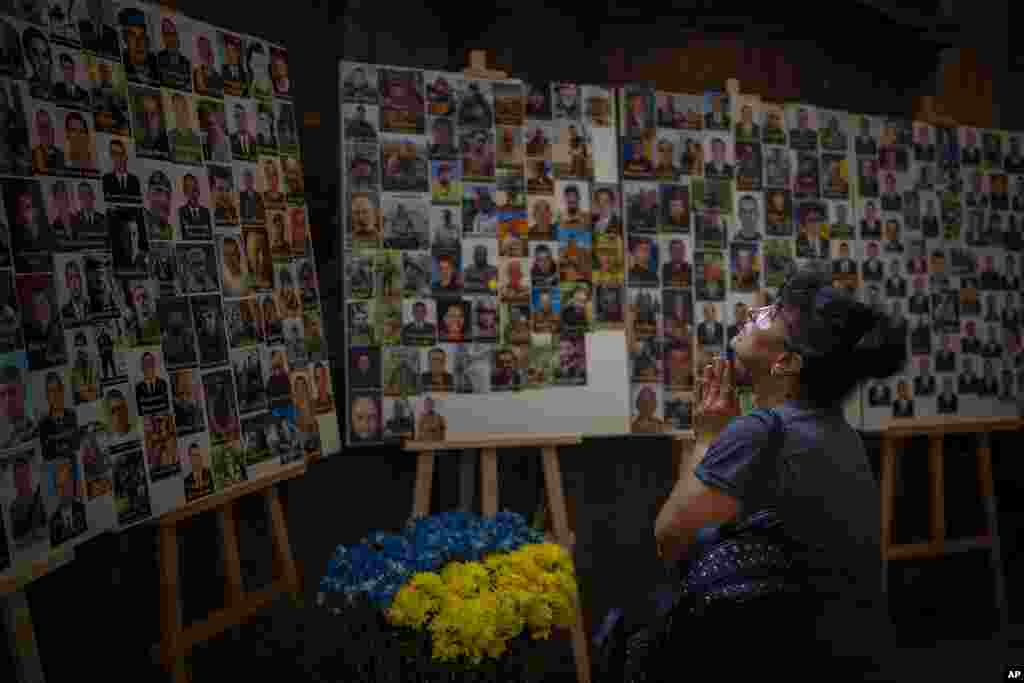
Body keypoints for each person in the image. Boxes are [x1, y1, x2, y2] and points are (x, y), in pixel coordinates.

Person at [639, 265, 908, 677]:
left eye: (773, 314)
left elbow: (669, 539)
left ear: (785, 362)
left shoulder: (763, 430)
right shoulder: (839, 430)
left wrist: (709, 437)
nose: (755, 312)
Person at [48, 458, 86, 547]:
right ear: (55, 489)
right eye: (60, 486)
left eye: (66, 484)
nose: (64, 491)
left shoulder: (83, 510)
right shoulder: (52, 522)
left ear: (73, 484)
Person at [119, 7, 157, 84]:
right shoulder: (121, 64)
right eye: (132, 37)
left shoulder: (155, 62)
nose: (139, 43)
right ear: (125, 39)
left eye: (142, 36)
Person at [23, 26, 53, 99]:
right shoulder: (26, 88)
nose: (41, 61)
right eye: (35, 54)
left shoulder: (58, 90)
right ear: (28, 56)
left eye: (45, 55)